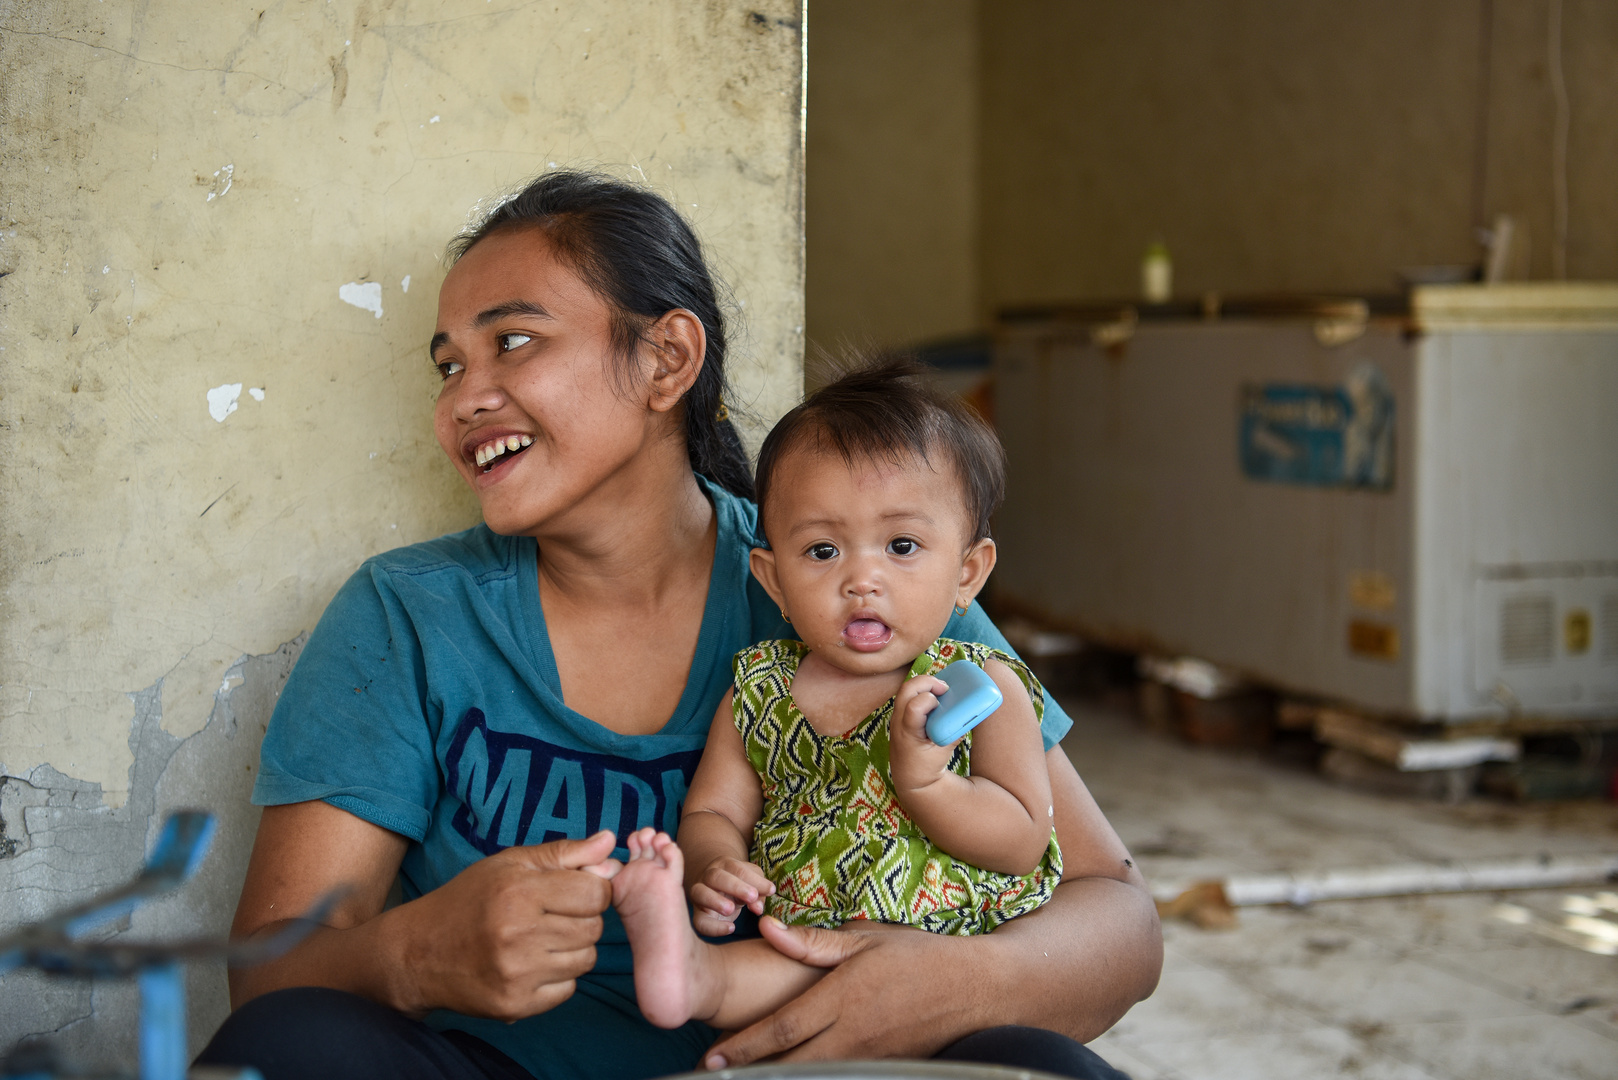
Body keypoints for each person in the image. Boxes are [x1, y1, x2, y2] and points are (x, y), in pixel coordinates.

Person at [196, 170, 1160, 1080]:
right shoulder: (408, 615)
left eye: (514, 342)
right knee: (288, 1045)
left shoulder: (855, 589)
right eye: (448, 367)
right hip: (490, 1067)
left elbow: (1118, 920)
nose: (465, 398)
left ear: (667, 359)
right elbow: (270, 976)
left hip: (779, 1064)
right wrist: (411, 954)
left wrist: (960, 983)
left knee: (1051, 1070)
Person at [608, 356, 1065, 1043]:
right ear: (773, 580)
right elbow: (711, 808)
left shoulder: (980, 686)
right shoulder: (760, 692)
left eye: (901, 545)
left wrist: (928, 783)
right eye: (822, 551)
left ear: (967, 573)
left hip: (945, 960)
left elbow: (1023, 840)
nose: (862, 579)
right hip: (809, 946)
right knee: (764, 972)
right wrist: (712, 864)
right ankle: (690, 975)